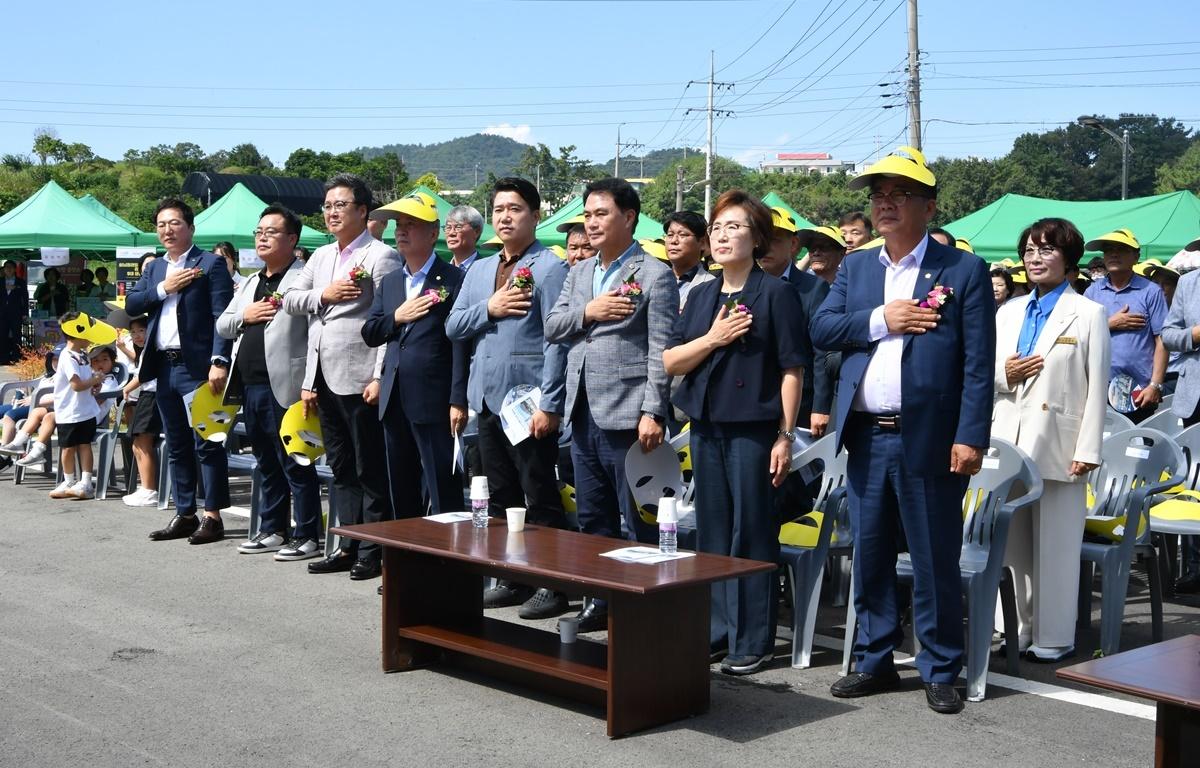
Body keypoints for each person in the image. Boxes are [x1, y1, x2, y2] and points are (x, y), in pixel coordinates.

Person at [811, 146, 995, 714]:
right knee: (868, 551)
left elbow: (976, 364)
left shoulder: (962, 269)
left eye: (899, 195)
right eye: (878, 195)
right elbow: (822, 327)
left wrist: (970, 437)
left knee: (934, 554)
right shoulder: (860, 265)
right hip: (867, 435)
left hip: (932, 437)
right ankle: (874, 659)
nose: (884, 204)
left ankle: (941, 666)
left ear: (928, 205)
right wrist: (879, 320)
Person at [663, 189, 807, 676]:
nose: (723, 236)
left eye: (736, 227)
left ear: (758, 237)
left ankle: (754, 638)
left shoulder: (776, 293)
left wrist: (785, 435)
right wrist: (713, 338)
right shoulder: (702, 295)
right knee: (713, 534)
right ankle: (718, 631)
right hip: (705, 426)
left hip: (754, 431)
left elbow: (792, 368)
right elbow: (671, 360)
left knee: (753, 532)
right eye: (717, 229)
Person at [546, 177, 678, 632]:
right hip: (582, 410)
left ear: (629, 217)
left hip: (629, 414)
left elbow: (660, 348)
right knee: (593, 515)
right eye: (588, 214)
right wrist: (591, 312)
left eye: (601, 214)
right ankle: (599, 600)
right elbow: (553, 325)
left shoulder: (654, 273)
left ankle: (646, 611)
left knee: (639, 519)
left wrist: (653, 411)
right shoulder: (580, 271)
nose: (592, 222)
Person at [446, 176, 571, 620]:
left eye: (515, 208)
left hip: (529, 402)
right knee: (500, 496)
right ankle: (511, 575)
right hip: (487, 403)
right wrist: (490, 309)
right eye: (499, 209)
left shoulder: (551, 267)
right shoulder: (478, 270)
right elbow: (454, 326)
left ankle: (550, 584)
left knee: (539, 493)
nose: (505, 216)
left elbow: (558, 340)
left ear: (535, 216)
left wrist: (551, 403)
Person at [991, 218, 1109, 662]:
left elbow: (1097, 385)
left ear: (1069, 259)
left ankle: (1054, 636)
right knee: (1011, 543)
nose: (1035, 258)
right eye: (1029, 250)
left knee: (1057, 545)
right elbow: (987, 372)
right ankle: (1013, 628)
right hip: (1008, 438)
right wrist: (1007, 376)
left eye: (1047, 250)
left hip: (1060, 441)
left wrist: (1089, 448)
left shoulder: (1090, 312)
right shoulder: (1008, 311)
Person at [283, 174, 401, 580]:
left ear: (362, 211)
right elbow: (291, 300)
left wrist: (380, 375)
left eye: (341, 205)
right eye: (328, 205)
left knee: (370, 467)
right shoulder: (319, 258)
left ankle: (372, 549)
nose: (332, 212)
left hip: (361, 375)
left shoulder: (382, 256)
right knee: (340, 466)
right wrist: (325, 295)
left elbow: (389, 322)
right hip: (322, 376)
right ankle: (346, 543)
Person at [218, 205, 324, 561]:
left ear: (292, 240)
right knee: (265, 461)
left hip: (288, 384)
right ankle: (273, 529)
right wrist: (244, 316)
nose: (262, 237)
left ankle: (307, 533)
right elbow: (222, 324)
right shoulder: (250, 281)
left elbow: (315, 333)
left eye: (271, 231)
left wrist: (311, 382)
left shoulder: (302, 279)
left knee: (296, 459)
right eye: (258, 231)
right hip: (250, 384)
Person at [126, 197, 234, 545]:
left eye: (174, 223)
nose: (167, 230)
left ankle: (213, 516)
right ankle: (185, 512)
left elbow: (221, 315)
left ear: (190, 227)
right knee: (175, 443)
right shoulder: (155, 268)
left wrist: (219, 361)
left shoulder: (211, 263)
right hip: (164, 366)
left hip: (197, 368)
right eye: (161, 225)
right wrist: (164, 288)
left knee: (208, 441)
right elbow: (132, 303)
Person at [363, 192, 468, 520]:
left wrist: (458, 399)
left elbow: (462, 344)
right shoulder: (392, 281)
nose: (401, 231)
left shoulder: (455, 279)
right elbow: (371, 332)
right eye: (399, 225)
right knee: (402, 488)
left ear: (433, 233)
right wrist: (398, 317)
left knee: (442, 490)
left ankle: (447, 564)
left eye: (411, 225)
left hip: (435, 400)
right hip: (393, 399)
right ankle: (408, 564)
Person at [1083, 228, 1168, 423]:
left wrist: (1155, 385)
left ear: (1136, 256)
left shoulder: (1151, 292)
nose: (1113, 254)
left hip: (1139, 390)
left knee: (1136, 449)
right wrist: (1109, 323)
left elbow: (1162, 340)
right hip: (1096, 387)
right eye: (1109, 249)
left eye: (1121, 249)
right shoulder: (1092, 292)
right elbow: (1080, 335)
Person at [761, 208, 831, 437]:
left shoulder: (813, 288)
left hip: (801, 399)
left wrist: (820, 406)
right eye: (759, 239)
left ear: (793, 245)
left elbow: (821, 350)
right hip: (752, 399)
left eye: (773, 240)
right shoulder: (740, 284)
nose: (764, 247)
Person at [1162, 264, 1200, 593]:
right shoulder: (1188, 283)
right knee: (1194, 481)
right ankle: (1195, 567)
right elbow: (1169, 335)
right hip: (1194, 396)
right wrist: (1194, 336)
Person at [46, 312, 109, 500]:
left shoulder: (82, 356)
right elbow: (76, 385)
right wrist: (94, 380)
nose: (90, 337)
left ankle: (86, 482)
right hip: (69, 412)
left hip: (85, 411)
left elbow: (85, 382)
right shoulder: (67, 357)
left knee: (84, 445)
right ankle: (69, 480)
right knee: (67, 448)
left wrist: (95, 384)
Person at [119, 315, 161, 507]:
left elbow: (144, 374)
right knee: (137, 443)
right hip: (147, 396)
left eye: (141, 330)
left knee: (143, 442)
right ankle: (145, 487)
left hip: (152, 397)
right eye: (133, 332)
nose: (136, 335)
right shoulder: (145, 350)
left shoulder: (154, 347)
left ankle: (149, 490)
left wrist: (127, 388)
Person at [662, 211, 714, 310]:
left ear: (702, 243)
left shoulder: (711, 285)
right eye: (670, 235)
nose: (674, 241)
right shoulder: (654, 278)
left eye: (683, 235)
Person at [1, 259, 27, 363]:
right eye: (6, 267)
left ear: (15, 269)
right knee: (2, 335)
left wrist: (25, 313)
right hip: (2, 313)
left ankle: (17, 357)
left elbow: (25, 298)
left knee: (17, 335)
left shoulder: (21, 282)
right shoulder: (0, 281)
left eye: (11, 267)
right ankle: (3, 357)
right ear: (4, 269)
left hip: (16, 313)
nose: (8, 269)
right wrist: (5, 288)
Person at [446, 205, 484, 271]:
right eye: (448, 227)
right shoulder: (440, 272)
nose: (451, 233)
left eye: (458, 227)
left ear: (476, 232)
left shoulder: (487, 270)